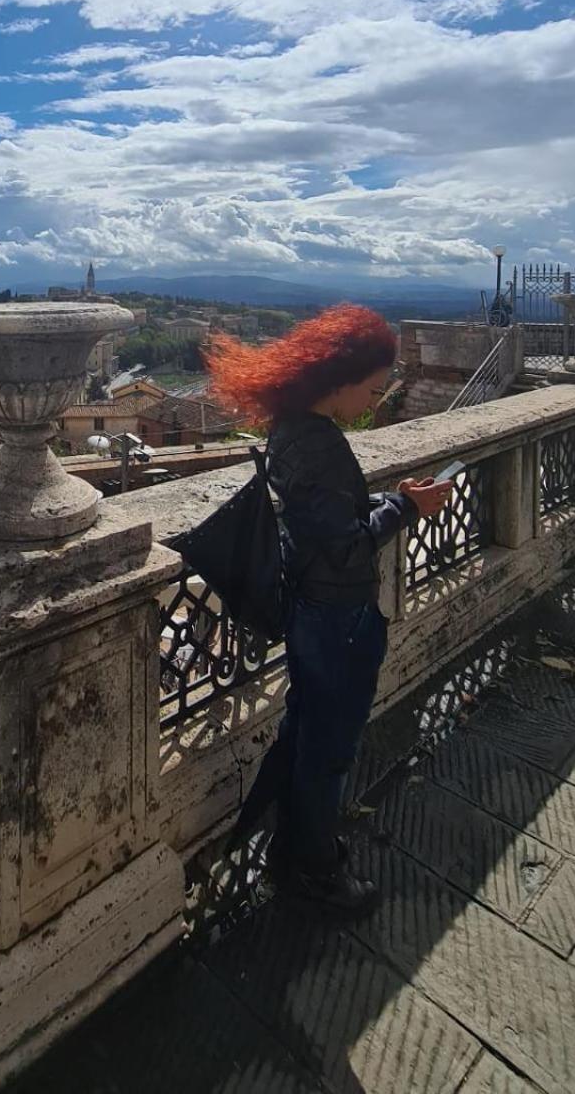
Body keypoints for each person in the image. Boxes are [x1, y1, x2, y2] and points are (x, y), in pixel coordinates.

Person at [207, 304, 453, 915]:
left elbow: (328, 512)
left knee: (309, 734)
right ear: (339, 380)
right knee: (329, 748)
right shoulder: (315, 444)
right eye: (371, 387)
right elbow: (344, 541)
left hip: (316, 610)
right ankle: (314, 872)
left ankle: (293, 849)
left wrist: (392, 497)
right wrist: (405, 512)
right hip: (336, 617)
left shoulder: (294, 429)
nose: (375, 399)